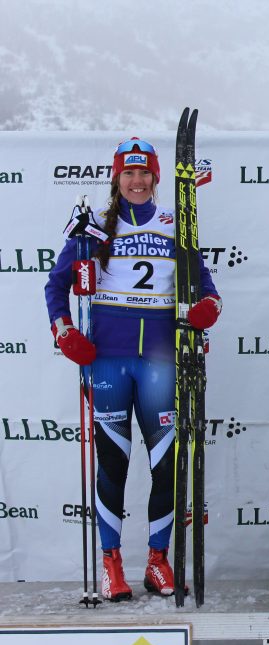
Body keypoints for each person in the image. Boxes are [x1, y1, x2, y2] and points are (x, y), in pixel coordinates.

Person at [44, 138, 221, 601]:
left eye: (145, 174)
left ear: (156, 178)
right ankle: (111, 563)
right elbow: (56, 286)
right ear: (116, 179)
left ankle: (157, 563)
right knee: (113, 464)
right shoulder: (93, 229)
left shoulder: (174, 225)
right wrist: (65, 334)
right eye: (129, 174)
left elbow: (204, 285)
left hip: (161, 361)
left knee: (166, 467)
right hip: (108, 360)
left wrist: (206, 309)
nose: (137, 182)